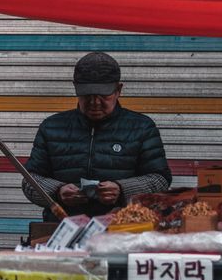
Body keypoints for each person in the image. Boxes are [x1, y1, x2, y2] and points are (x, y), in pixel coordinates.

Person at [22, 52, 172, 220]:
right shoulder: (51, 127)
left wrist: (122, 190)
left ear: (118, 90)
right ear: (76, 88)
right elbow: (30, 181)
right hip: (61, 230)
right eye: (87, 95)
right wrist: (58, 191)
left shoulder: (142, 127)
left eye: (103, 95)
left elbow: (160, 180)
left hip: (123, 229)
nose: (94, 102)